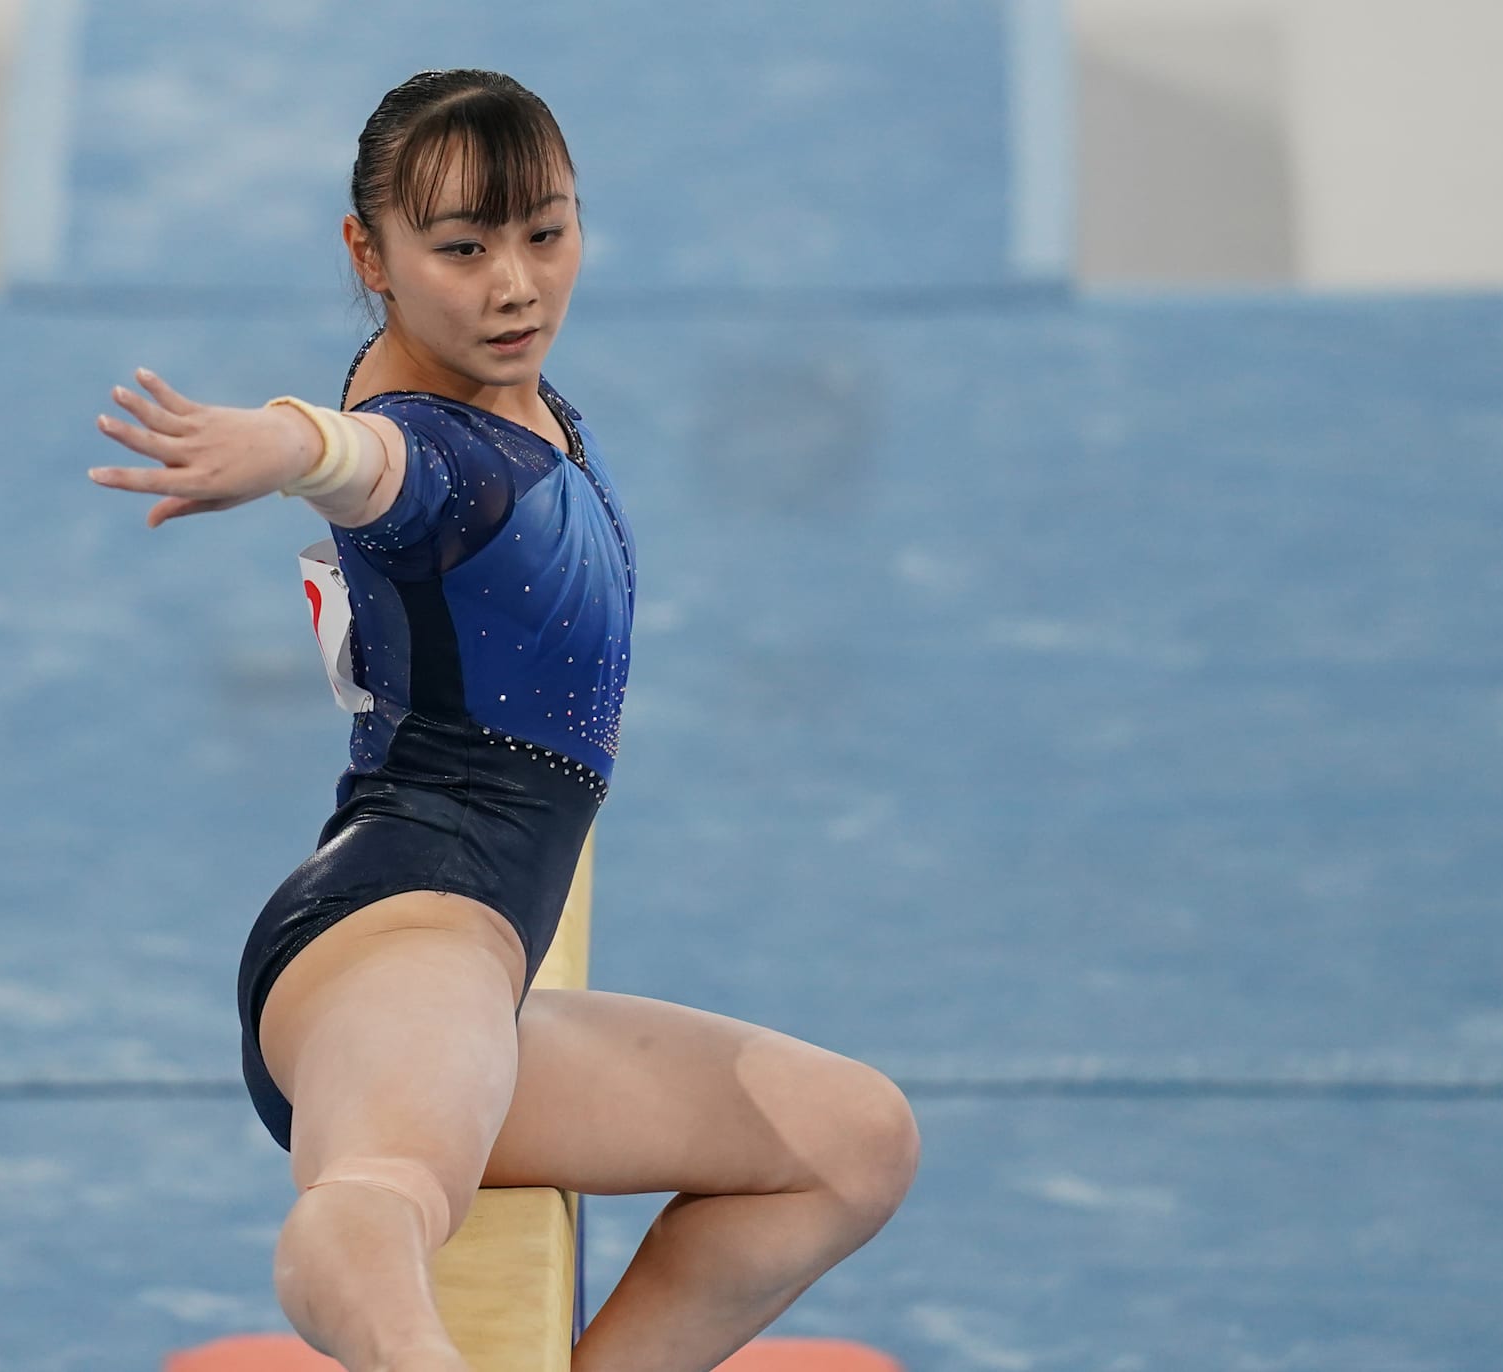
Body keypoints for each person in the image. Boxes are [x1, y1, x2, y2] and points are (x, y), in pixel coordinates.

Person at [86, 68, 919, 1372]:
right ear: (368, 253)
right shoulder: (444, 450)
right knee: (382, 1196)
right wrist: (294, 446)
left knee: (853, 1140)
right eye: (462, 250)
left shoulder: (507, 396)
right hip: (403, 931)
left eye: (546, 232)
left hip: (478, 955)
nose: (516, 284)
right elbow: (380, 470)